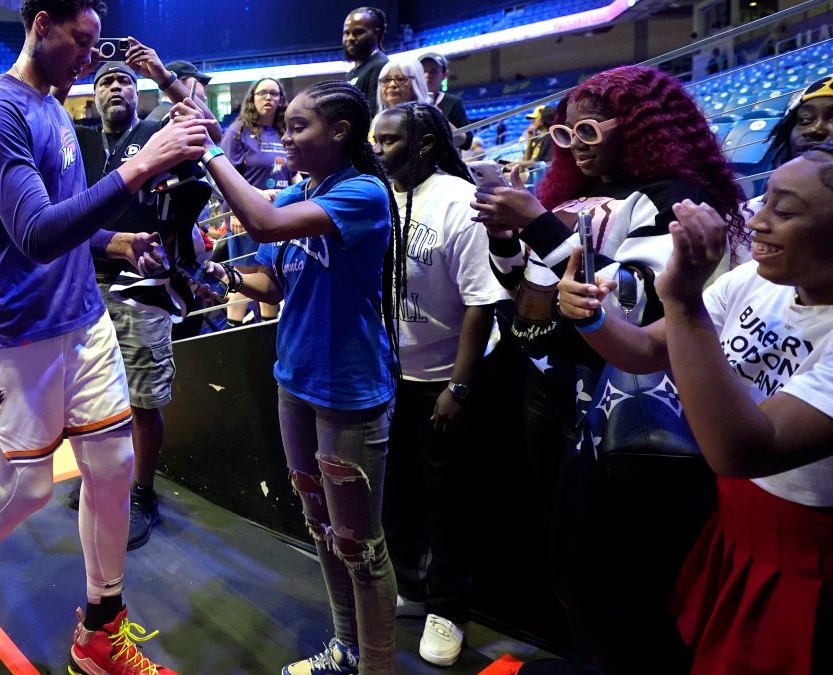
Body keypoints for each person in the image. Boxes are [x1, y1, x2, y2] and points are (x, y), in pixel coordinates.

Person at [0, 1, 210, 674]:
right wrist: (138, 167)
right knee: (27, 488)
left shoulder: (53, 107)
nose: (88, 59)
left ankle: (102, 628)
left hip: (83, 317)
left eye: (96, 46)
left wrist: (118, 239)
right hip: (17, 335)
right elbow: (37, 232)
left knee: (112, 466)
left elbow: (66, 221)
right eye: (80, 42)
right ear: (41, 25)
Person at [471, 65, 748, 674]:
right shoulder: (571, 194)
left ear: (641, 126)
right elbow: (530, 288)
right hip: (557, 387)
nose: (575, 147)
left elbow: (642, 304)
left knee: (622, 575)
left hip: (636, 405)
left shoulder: (674, 194)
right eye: (565, 136)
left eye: (588, 131)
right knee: (571, 557)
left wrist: (539, 224)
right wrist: (508, 239)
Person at [556, 143, 833, 675]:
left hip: (804, 553)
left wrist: (682, 298)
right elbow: (645, 351)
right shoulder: (755, 281)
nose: (757, 219)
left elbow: (744, 448)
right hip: (734, 522)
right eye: (764, 199)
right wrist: (590, 316)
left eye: (786, 209)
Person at [197, 79, 402, 674]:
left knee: (361, 546)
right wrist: (224, 279)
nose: (284, 137)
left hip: (348, 391)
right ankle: (345, 648)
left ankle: (377, 668)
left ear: (340, 132)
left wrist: (211, 152)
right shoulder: (299, 192)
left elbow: (258, 222)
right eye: (283, 126)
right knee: (322, 529)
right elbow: (274, 280)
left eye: (297, 127)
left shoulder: (363, 193)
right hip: (296, 383)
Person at [373, 102, 505, 667]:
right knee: (397, 489)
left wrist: (459, 385)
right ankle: (413, 588)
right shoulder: (381, 195)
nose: (376, 150)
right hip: (389, 375)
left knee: (445, 502)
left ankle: (449, 610)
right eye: (374, 140)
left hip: (441, 380)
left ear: (425, 143)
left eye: (388, 140)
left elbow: (481, 303)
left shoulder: (458, 200)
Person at [72, 40, 218, 550]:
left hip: (145, 287)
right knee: (90, 394)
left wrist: (160, 73)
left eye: (125, 82)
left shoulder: (157, 131)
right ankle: (100, 479)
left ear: (138, 93)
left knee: (142, 398)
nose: (117, 87)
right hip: (84, 283)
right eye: (106, 82)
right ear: (92, 97)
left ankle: (141, 492)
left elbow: (209, 135)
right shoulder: (80, 140)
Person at [220, 76, 293, 326]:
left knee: (270, 275)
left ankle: (266, 333)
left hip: (279, 214)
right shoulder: (238, 131)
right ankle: (233, 335)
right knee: (244, 278)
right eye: (262, 93)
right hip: (246, 215)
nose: (268, 98)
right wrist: (235, 211)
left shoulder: (285, 131)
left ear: (281, 99)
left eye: (274, 93)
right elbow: (225, 176)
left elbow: (292, 172)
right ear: (253, 98)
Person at [418, 52, 472, 150]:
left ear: (444, 74)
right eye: (422, 71)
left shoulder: (454, 103)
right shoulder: (409, 101)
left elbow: (467, 143)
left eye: (433, 71)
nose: (427, 75)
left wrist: (440, 117)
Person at [343, 7, 389, 117]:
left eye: (358, 32)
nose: (350, 38)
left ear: (376, 33)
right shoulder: (354, 71)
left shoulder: (380, 65)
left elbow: (374, 115)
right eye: (347, 33)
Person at [146, 59, 211, 123]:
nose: (205, 86)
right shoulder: (176, 116)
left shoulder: (160, 113)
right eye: (199, 80)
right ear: (180, 83)